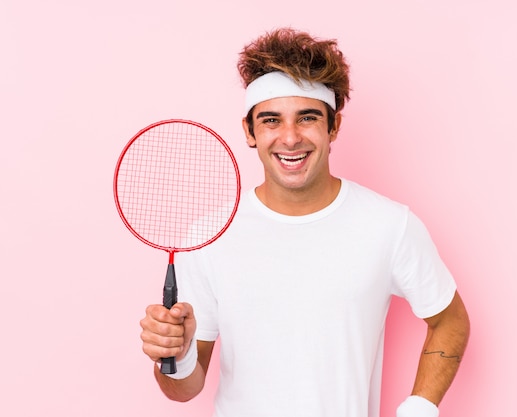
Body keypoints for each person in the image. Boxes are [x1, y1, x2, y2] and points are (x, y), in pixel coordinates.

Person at [139, 27, 470, 417]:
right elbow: (185, 389)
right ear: (250, 131)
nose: (291, 138)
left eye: (307, 117)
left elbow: (450, 319)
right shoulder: (211, 235)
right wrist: (174, 354)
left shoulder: (389, 225)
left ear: (333, 127)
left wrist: (419, 406)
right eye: (271, 120)